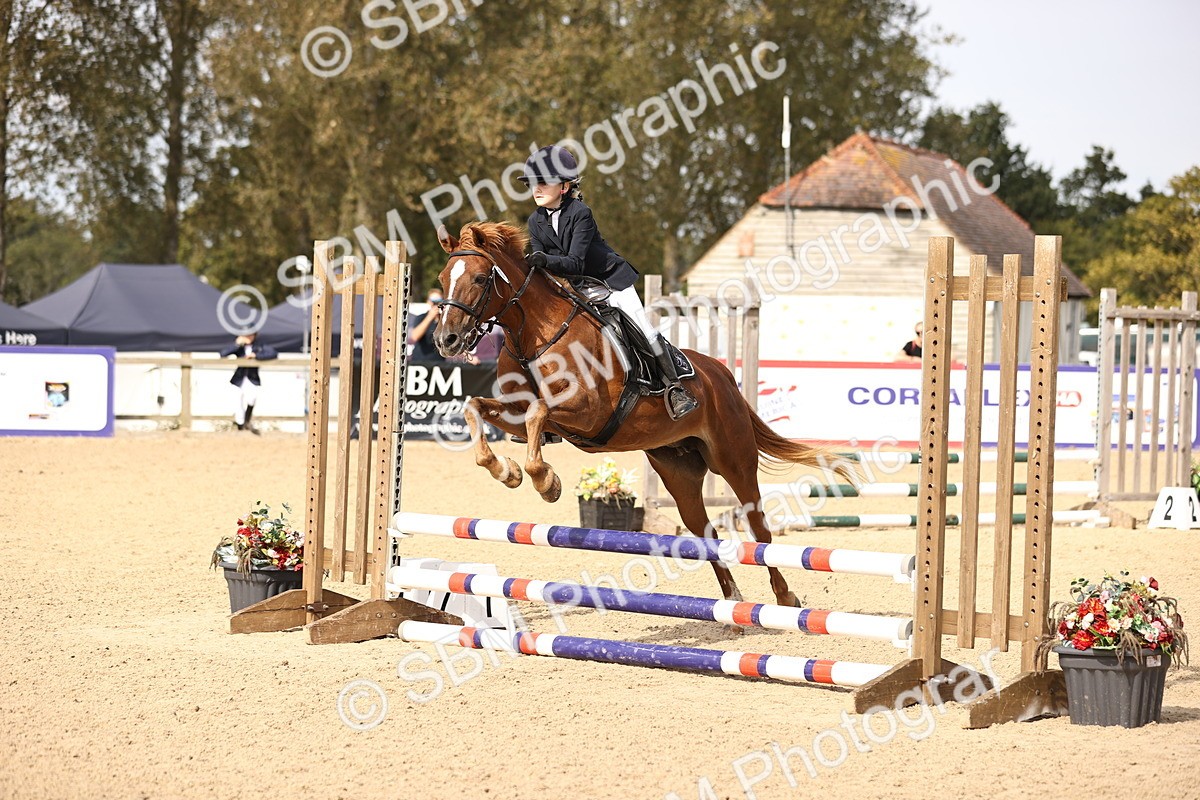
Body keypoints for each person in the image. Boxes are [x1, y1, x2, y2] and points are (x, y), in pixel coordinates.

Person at [518, 144, 698, 420]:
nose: (536, 189)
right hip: (578, 288)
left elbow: (574, 262)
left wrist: (543, 260)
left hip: (610, 282)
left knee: (643, 329)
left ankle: (675, 389)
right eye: (533, 183)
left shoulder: (581, 214)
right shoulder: (535, 220)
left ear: (564, 187)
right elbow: (549, 269)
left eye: (543, 182)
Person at [221, 331, 277, 434]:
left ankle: (247, 422)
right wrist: (237, 344)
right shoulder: (240, 347)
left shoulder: (259, 346)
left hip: (252, 377)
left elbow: (273, 353)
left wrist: (256, 355)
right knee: (237, 402)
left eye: (251, 335)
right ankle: (241, 426)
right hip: (239, 378)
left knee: (252, 398)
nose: (248, 337)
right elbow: (223, 353)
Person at [407, 287, 444, 362]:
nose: (436, 304)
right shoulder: (421, 317)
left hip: (439, 361)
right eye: (433, 301)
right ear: (428, 302)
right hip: (420, 360)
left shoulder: (443, 319)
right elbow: (414, 336)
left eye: (438, 301)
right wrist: (430, 317)